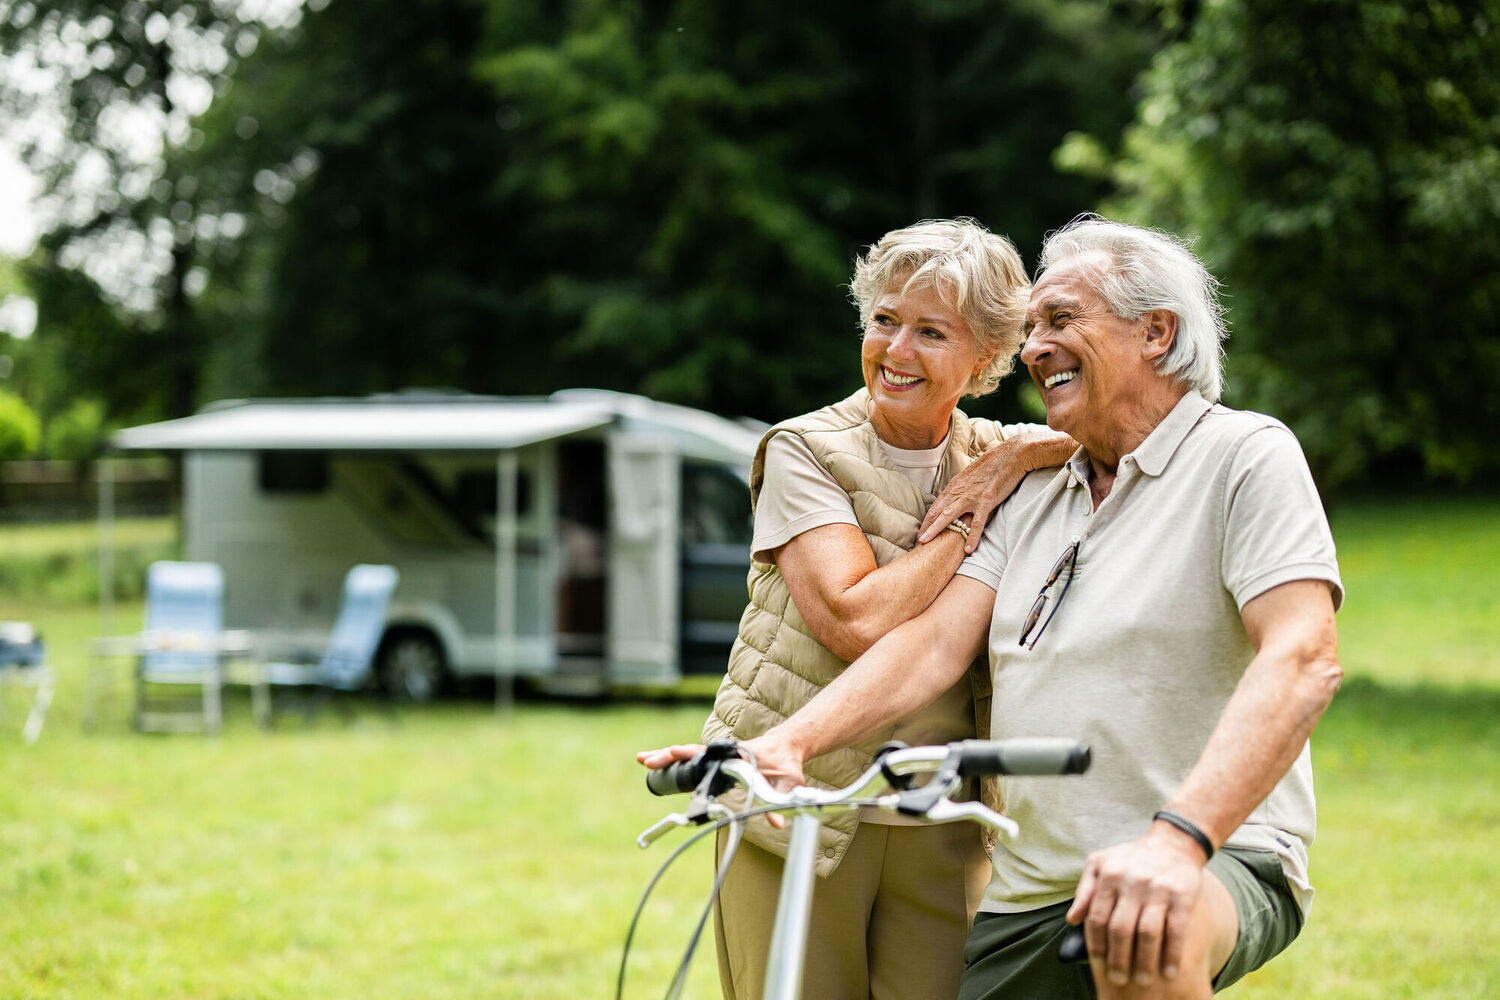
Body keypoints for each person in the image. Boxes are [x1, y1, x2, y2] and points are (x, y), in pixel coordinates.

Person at [650, 215, 1344, 999]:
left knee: (1150, 936)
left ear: (1156, 332)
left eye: (1059, 320)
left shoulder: (1241, 456)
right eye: (1032, 326)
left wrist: (1178, 841)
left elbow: (1304, 656)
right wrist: (790, 743)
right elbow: (926, 644)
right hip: (1023, 881)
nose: (1035, 346)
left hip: (1197, 854)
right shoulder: (1018, 491)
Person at [641, 217, 1075, 1000]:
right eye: (884, 321)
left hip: (939, 820)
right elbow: (855, 619)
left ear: (984, 358)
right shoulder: (804, 450)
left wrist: (1012, 457)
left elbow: (1104, 433)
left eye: (931, 332)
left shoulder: (996, 452)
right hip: (795, 810)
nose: (896, 351)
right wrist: (974, 514)